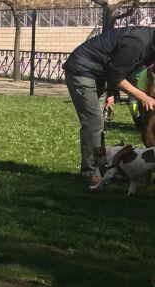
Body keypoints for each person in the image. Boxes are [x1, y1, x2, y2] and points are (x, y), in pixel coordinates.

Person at [63, 26, 155, 184]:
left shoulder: (148, 45)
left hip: (100, 74)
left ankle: (103, 167)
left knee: (99, 124)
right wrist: (142, 96)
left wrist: (111, 94)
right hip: (82, 70)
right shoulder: (136, 44)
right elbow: (116, 75)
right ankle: (90, 172)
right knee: (94, 123)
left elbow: (121, 69)